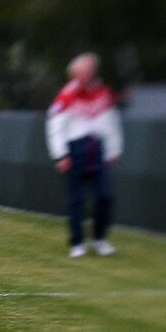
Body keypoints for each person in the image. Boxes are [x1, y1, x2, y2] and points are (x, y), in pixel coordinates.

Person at [46, 52, 123, 257]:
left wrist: (114, 148)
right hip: (76, 152)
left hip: (97, 152)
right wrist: (60, 155)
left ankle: (99, 239)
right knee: (76, 200)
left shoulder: (102, 93)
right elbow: (55, 125)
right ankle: (77, 242)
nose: (83, 75)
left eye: (87, 71)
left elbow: (111, 122)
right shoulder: (67, 95)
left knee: (104, 196)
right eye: (79, 72)